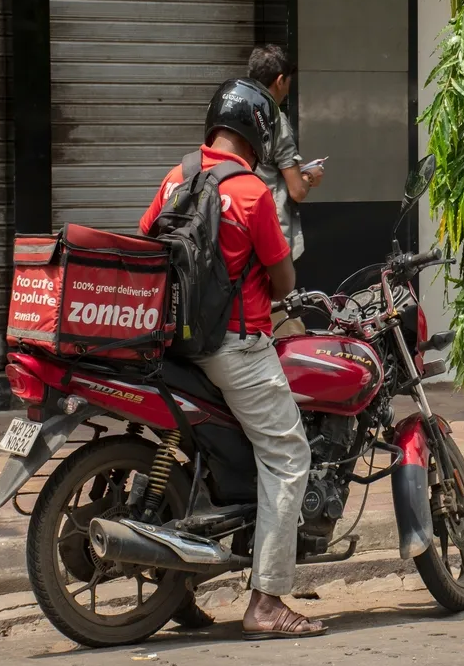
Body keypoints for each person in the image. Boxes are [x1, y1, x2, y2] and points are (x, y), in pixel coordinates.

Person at [138, 79, 325, 640]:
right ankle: (267, 602)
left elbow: (148, 237)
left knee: (200, 455)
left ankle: (180, 589)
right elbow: (283, 275)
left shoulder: (180, 175)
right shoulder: (251, 193)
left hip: (174, 341)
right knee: (289, 455)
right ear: (260, 133)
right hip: (234, 346)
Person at [245, 44, 323, 262]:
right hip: (270, 231)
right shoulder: (275, 119)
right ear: (280, 81)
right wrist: (309, 176)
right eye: (289, 81)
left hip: (237, 224)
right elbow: (297, 190)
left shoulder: (235, 113)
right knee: (275, 294)